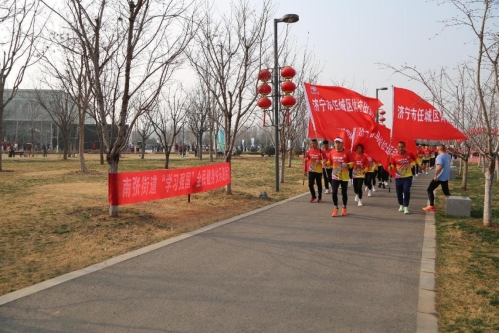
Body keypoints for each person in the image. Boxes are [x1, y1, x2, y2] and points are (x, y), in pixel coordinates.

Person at [389, 141, 419, 214]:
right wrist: (390, 167)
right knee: (399, 192)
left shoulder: (409, 154)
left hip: (408, 176)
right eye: (399, 147)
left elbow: (415, 159)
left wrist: (417, 163)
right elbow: (393, 165)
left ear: (404, 147)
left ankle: (406, 206)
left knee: (406, 191)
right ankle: (401, 204)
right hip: (398, 177)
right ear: (397, 147)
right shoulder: (394, 156)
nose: (400, 148)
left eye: (402, 147)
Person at [423, 145, 452, 212]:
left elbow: (440, 167)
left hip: (439, 177)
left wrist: (435, 175)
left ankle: (431, 206)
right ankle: (453, 205)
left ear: (439, 150)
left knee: (429, 189)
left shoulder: (439, 157)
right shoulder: (448, 156)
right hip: (445, 176)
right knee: (446, 192)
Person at [329, 137, 353, 217]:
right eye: (336, 142)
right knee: (334, 192)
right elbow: (330, 162)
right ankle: (335, 208)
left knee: (344, 193)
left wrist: (348, 164)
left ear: (342, 144)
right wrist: (326, 163)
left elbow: (353, 162)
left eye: (339, 143)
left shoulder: (347, 152)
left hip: (344, 176)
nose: (337, 144)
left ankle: (344, 207)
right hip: (335, 176)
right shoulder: (332, 152)